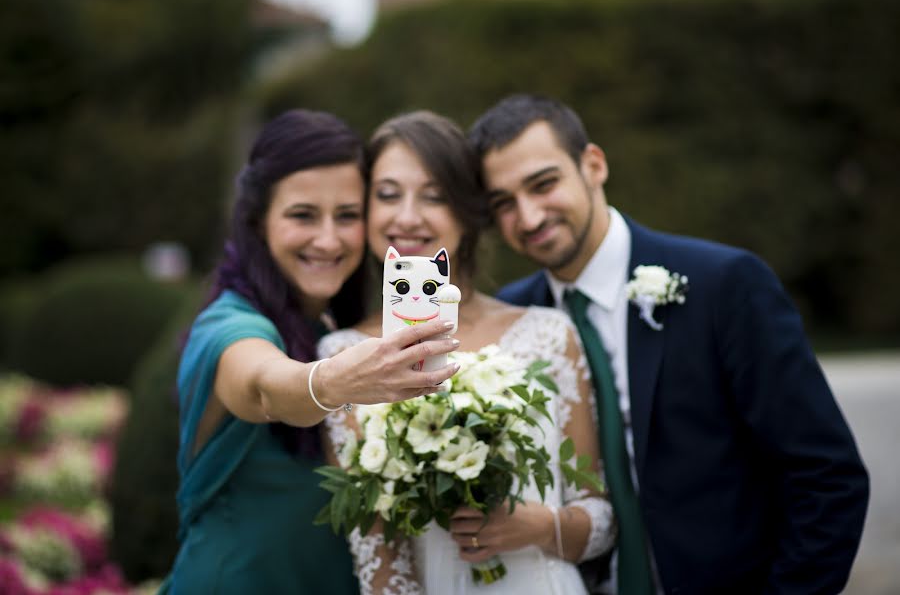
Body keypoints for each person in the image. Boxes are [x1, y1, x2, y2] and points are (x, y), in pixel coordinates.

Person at [467, 93, 870, 594]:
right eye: (503, 204)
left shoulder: (724, 285)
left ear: (593, 165)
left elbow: (827, 478)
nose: (528, 218)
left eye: (543, 184)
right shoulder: (511, 319)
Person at [160, 109, 461, 594]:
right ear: (257, 222)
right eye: (303, 215)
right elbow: (264, 387)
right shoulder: (229, 325)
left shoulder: (339, 325)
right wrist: (328, 383)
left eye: (347, 216)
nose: (328, 239)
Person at [318, 110, 617, 595]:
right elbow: (378, 559)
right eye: (388, 194)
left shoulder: (548, 334)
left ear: (467, 210)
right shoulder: (341, 356)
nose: (407, 216)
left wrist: (536, 525)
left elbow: (602, 519)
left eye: (434, 195)